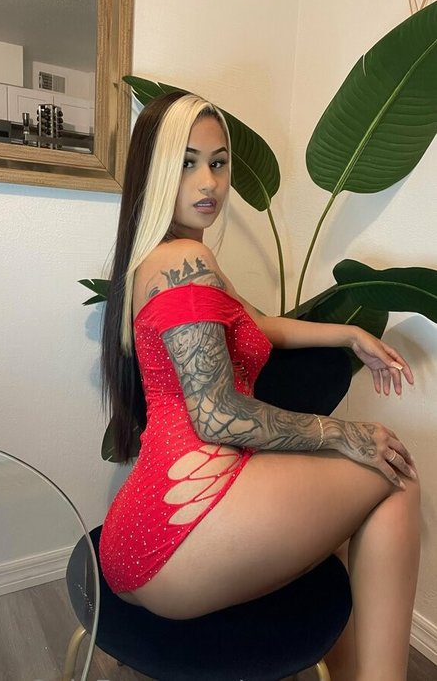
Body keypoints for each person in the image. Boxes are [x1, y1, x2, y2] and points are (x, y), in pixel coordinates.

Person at [99, 91, 420, 681]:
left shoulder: (164, 258)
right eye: (187, 163)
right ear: (155, 173)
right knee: (395, 477)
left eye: (219, 163)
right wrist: (342, 433)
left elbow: (255, 324)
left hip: (142, 529)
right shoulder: (183, 261)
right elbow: (217, 414)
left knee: (357, 496)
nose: (209, 182)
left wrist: (348, 333)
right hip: (185, 526)